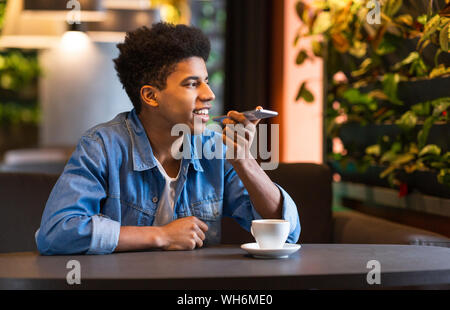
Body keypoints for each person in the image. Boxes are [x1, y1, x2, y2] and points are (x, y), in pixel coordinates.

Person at [35, 22, 300, 255]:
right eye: (192, 84)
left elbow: (286, 233)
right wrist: (161, 235)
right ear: (150, 96)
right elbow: (56, 233)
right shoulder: (102, 146)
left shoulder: (214, 149)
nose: (209, 94)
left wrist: (244, 161)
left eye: (206, 81)